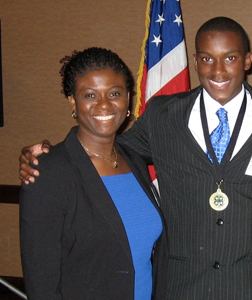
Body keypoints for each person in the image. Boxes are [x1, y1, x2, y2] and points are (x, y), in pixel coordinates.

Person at [19, 18, 252, 299]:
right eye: (207, 58)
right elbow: (110, 151)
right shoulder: (163, 115)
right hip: (179, 287)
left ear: (247, 60)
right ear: (195, 61)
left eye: (230, 57)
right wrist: (47, 154)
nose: (218, 70)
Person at [19, 47, 168, 300]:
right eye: (90, 95)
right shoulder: (50, 172)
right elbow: (41, 283)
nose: (104, 104)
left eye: (114, 93)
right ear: (73, 102)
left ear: (128, 98)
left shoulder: (133, 160)